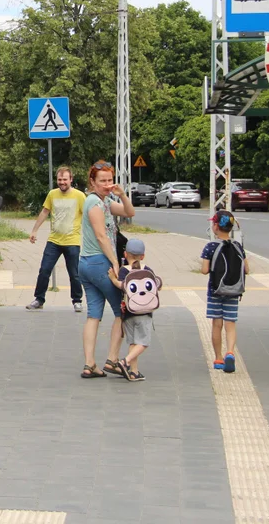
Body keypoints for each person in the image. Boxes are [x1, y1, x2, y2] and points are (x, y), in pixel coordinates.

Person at [76, 161, 135, 378]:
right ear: (92, 182)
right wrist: (115, 262)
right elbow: (101, 236)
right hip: (100, 263)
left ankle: (89, 364)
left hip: (86, 264)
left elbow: (130, 212)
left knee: (93, 315)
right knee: (123, 310)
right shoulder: (94, 203)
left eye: (109, 180)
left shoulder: (106, 200)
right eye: (102, 181)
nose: (107, 184)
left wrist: (123, 195)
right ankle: (111, 359)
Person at [26, 165, 87, 313]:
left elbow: (87, 216)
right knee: (44, 270)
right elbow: (45, 211)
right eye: (60, 179)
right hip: (54, 240)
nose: (62, 182)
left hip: (72, 241)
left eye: (65, 179)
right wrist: (34, 230)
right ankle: (39, 299)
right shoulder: (52, 194)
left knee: (74, 273)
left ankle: (77, 300)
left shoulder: (79, 196)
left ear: (71, 179)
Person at [200, 210, 249, 373]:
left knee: (217, 324)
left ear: (215, 227)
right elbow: (247, 269)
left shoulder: (210, 247)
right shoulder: (238, 246)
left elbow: (204, 270)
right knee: (230, 324)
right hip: (234, 291)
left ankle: (219, 358)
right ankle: (230, 352)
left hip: (215, 291)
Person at [108, 239, 160, 382]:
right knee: (143, 342)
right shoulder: (147, 270)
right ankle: (126, 361)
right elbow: (156, 285)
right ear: (142, 256)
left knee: (133, 342)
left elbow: (122, 285)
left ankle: (134, 372)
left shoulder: (124, 270)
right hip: (145, 313)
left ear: (125, 254)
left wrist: (113, 279)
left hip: (128, 313)